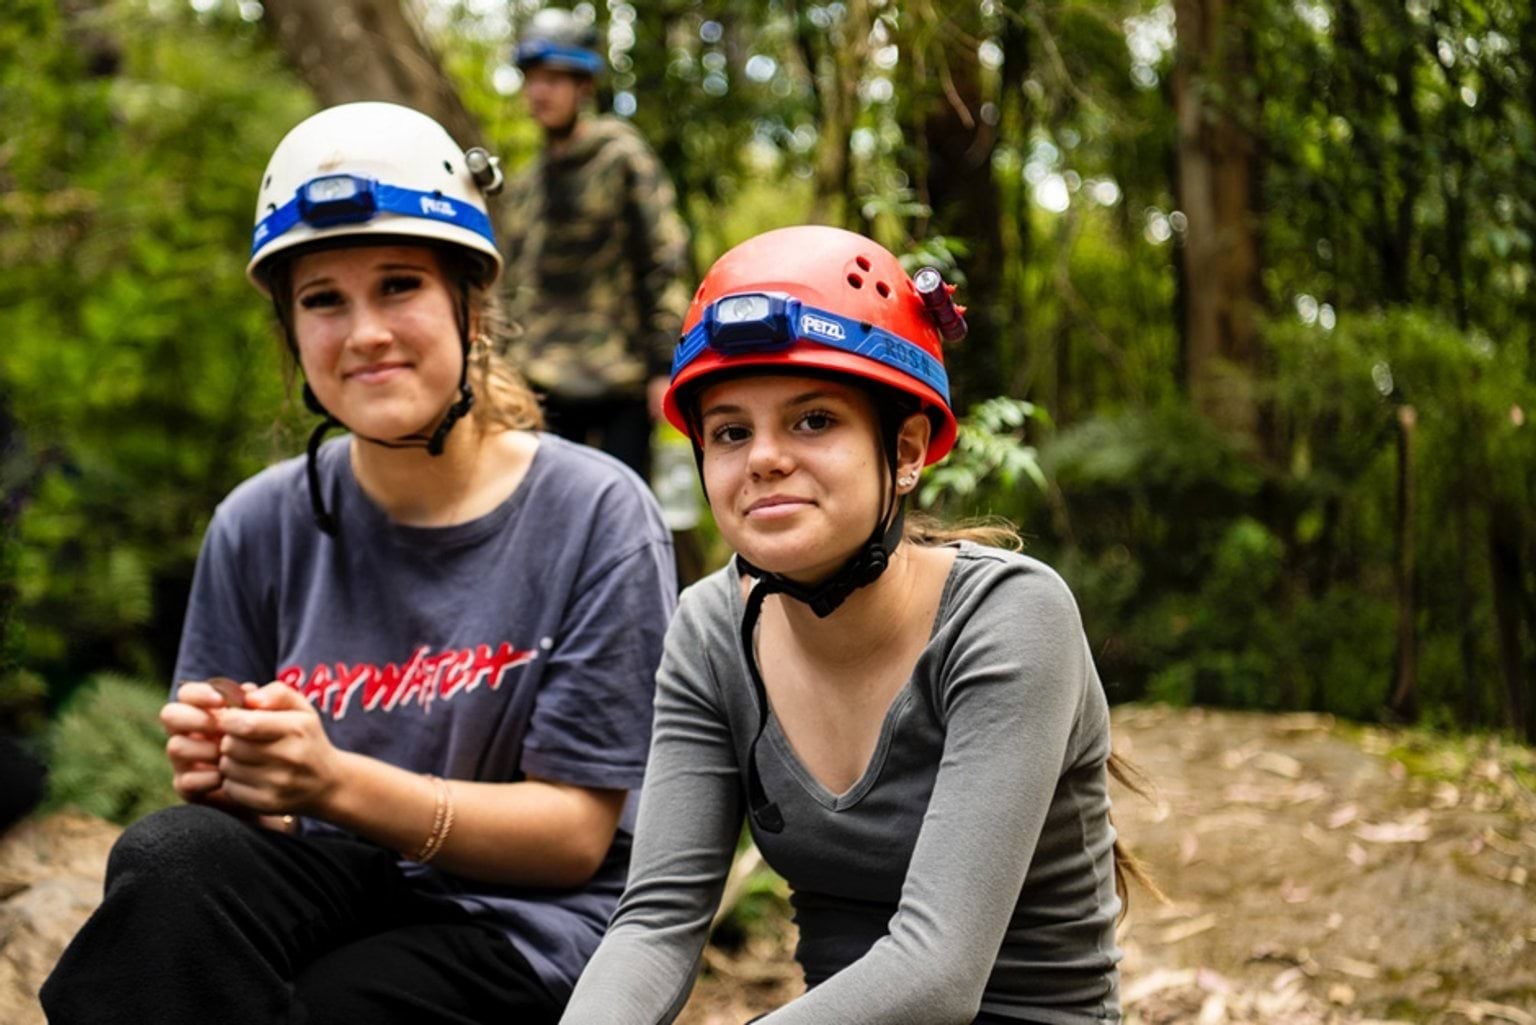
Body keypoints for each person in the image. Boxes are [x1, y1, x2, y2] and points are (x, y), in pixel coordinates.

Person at [41, 101, 676, 1025]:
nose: (365, 331)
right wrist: (237, 773)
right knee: (169, 863)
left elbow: (576, 838)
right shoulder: (259, 524)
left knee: (332, 1004)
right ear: (292, 333)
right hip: (339, 881)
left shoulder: (595, 514)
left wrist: (332, 778)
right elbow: (260, 831)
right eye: (323, 299)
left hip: (526, 923)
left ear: (471, 304)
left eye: (399, 285)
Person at [560, 226, 1145, 1025]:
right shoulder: (707, 632)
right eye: (731, 431)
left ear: (905, 450)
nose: (763, 457)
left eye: (812, 421)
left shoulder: (1008, 618)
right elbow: (657, 923)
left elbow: (936, 969)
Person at [501, 7, 692, 483]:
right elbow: (511, 285)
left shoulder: (620, 156)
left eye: (554, 79)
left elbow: (662, 259)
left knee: (620, 517)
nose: (539, 92)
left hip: (618, 385)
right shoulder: (526, 184)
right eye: (532, 79)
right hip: (540, 387)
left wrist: (663, 366)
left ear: (583, 86)